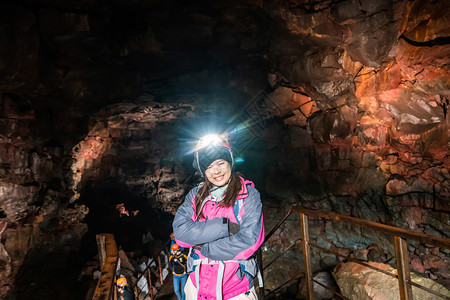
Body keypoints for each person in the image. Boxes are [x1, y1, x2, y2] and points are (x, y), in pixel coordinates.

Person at [173, 134, 264, 300]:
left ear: (230, 162)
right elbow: (180, 234)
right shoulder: (195, 195)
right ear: (202, 171)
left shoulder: (248, 195)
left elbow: (250, 241)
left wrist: (205, 248)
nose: (216, 171)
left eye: (220, 163)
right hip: (196, 286)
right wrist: (225, 227)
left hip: (234, 290)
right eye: (208, 166)